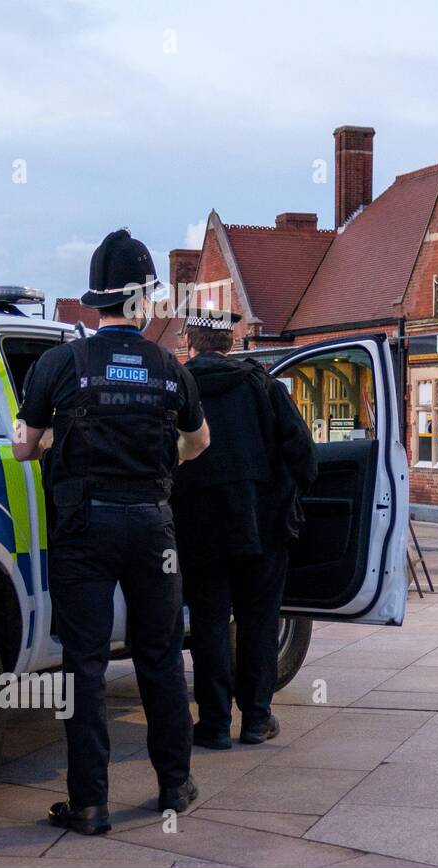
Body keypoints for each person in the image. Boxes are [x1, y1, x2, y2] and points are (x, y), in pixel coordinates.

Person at [12, 229, 211, 835]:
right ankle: (174, 785)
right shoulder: (169, 368)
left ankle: (90, 804)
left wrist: (54, 441)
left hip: (84, 528)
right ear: (142, 302)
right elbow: (198, 443)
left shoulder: (59, 363)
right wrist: (156, 464)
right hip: (153, 528)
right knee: (158, 657)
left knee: (85, 665)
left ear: (96, 303)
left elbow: (22, 445)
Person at [171, 309, 317, 750]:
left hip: (199, 529)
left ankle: (213, 724)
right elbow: (303, 454)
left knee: (210, 624)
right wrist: (287, 497)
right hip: (264, 528)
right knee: (258, 621)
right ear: (230, 343)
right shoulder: (263, 386)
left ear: (191, 344)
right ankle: (256, 719)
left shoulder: (177, 389)